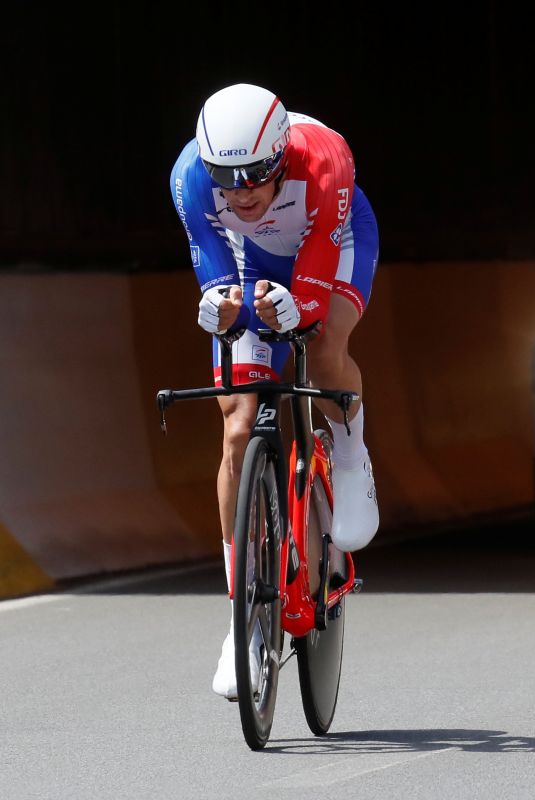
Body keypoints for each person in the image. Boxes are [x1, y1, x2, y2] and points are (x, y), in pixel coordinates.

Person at [170, 83, 380, 698]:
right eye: (226, 180)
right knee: (237, 425)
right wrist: (220, 305)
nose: (242, 191)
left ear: (281, 155)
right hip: (247, 261)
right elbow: (213, 270)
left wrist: (298, 308)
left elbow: (312, 288)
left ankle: (348, 453)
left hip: (330, 247)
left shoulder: (324, 158)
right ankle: (241, 616)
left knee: (324, 342)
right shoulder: (188, 177)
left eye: (257, 175)